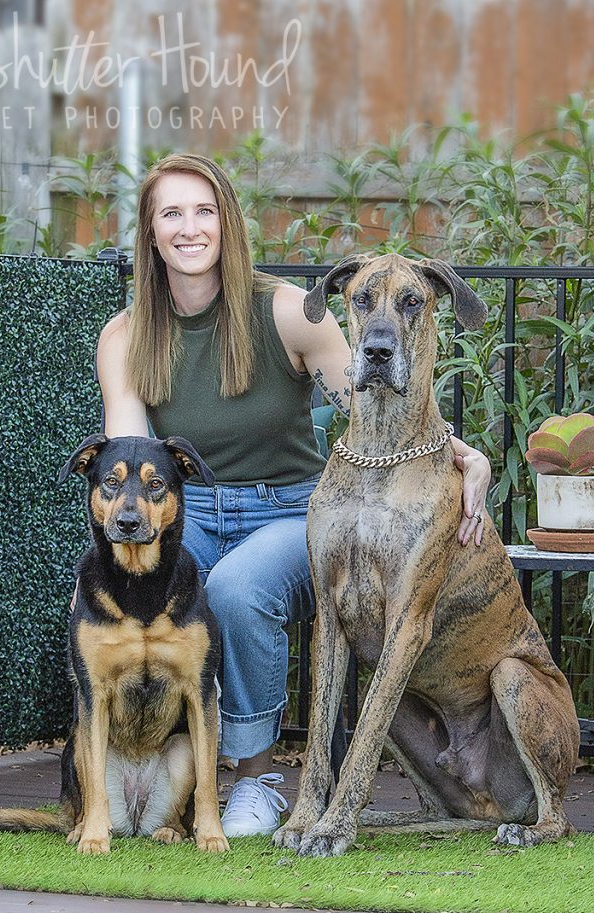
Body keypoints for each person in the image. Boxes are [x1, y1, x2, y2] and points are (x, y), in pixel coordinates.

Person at [96, 153, 491, 838]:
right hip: (190, 516)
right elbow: (131, 466)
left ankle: (257, 779)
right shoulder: (126, 336)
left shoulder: (283, 311)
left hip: (288, 514)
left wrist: (465, 454)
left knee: (237, 590)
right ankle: (158, 774)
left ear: (226, 223)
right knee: (128, 582)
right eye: (172, 214)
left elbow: (375, 402)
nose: (190, 228)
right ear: (150, 232)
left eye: (204, 211)